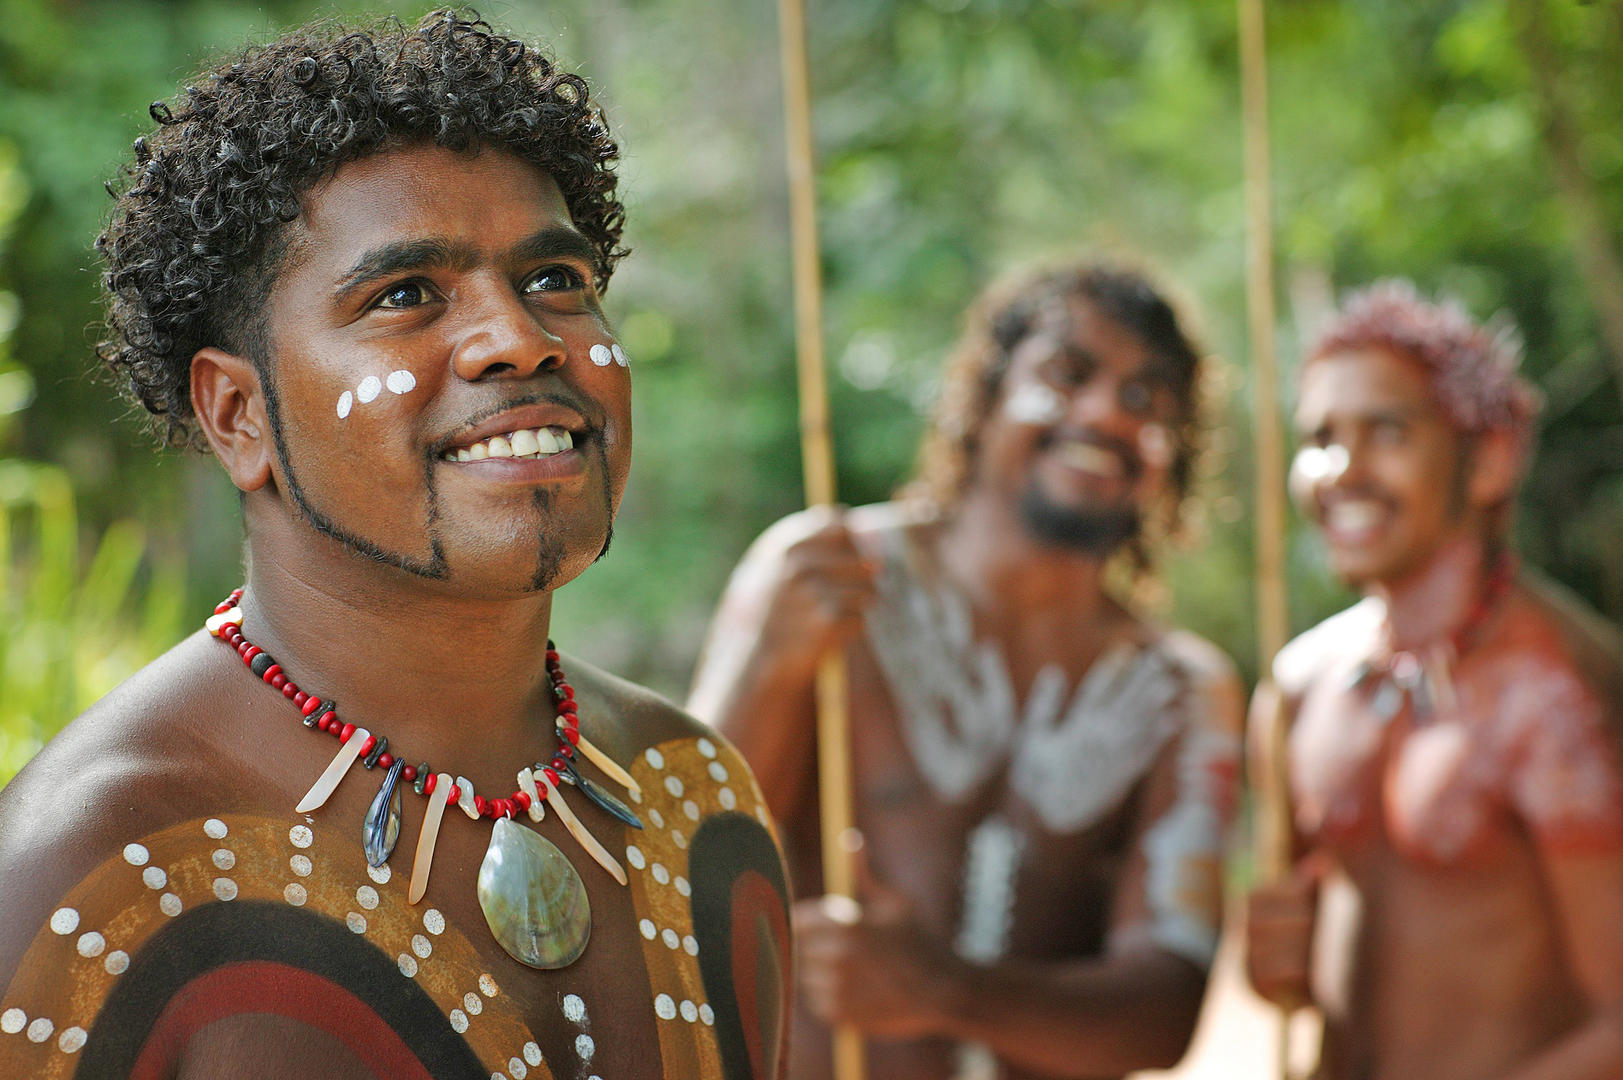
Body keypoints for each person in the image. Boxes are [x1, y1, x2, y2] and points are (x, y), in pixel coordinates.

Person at [0, 13, 791, 1079]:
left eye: (555, 279)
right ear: (241, 417)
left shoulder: (696, 800)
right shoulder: (92, 866)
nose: (521, 338)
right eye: (406, 295)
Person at [688, 261, 1244, 1079]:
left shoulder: (1179, 691)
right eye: (1068, 373)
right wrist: (770, 667)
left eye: (1144, 399)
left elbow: (1164, 1012)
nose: (1103, 413)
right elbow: (679, 867)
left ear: (1172, 456)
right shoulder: (826, 578)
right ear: (983, 398)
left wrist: (941, 989)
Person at [1245, 281, 1623, 1080]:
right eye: (1317, 436)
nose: (1338, 470)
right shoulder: (1297, 688)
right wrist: (1277, 965)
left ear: (1488, 459)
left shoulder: (1558, 697)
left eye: (1385, 431)